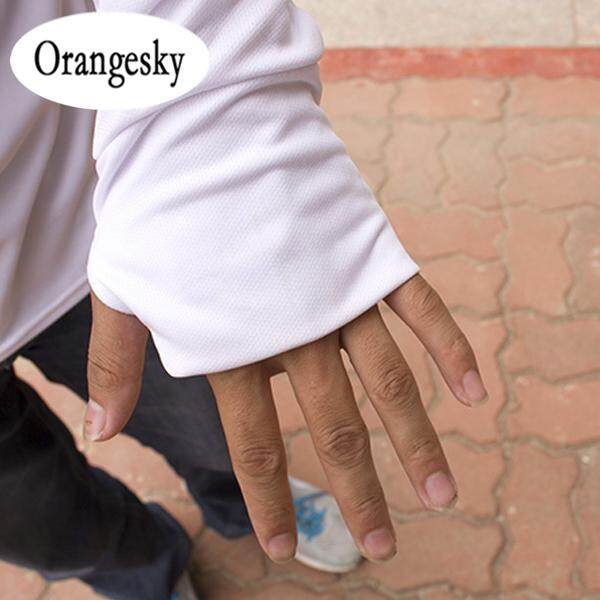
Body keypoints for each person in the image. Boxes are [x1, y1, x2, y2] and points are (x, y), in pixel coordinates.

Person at [0, 1, 487, 598]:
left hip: (109, 225)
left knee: (214, 426)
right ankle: (147, 574)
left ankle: (234, 502)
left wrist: (215, 127)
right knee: (37, 520)